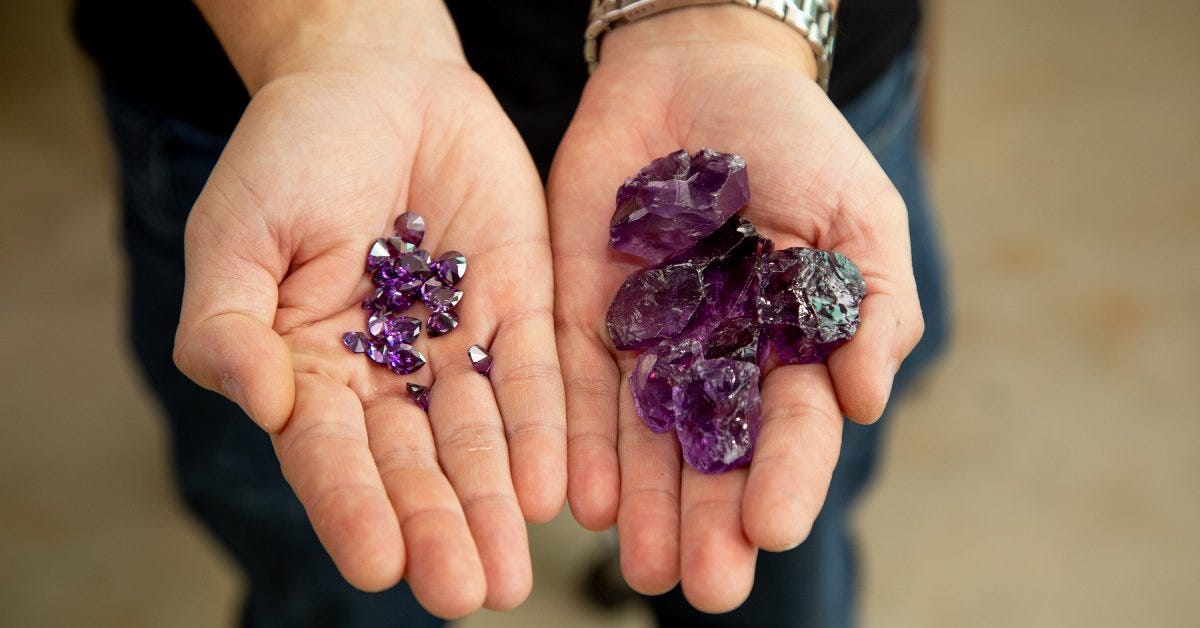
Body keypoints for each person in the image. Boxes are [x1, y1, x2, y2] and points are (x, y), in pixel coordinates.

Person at [75, 0, 947, 626]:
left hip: (778, 60)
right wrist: (327, 34)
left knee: (778, 540)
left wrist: (725, 20)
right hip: (265, 93)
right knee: (331, 563)